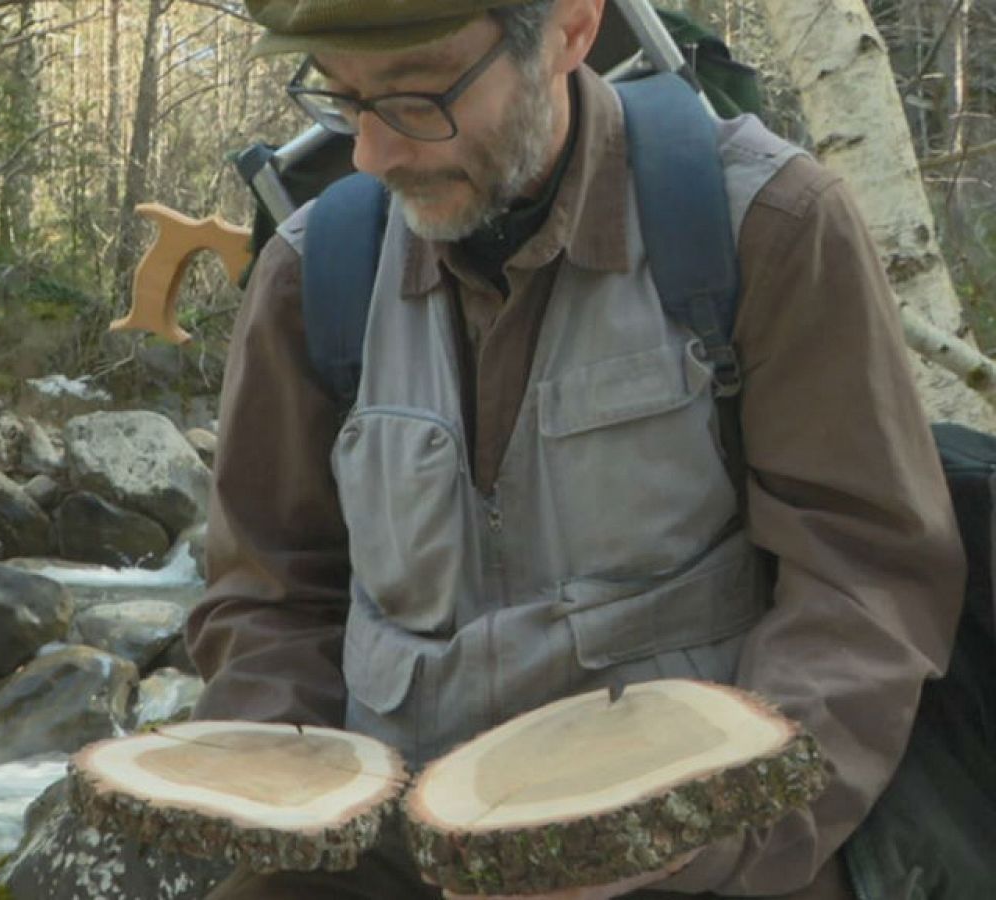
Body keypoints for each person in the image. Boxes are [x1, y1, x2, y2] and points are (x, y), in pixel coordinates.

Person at [185, 0, 966, 898]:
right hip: (391, 854)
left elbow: (864, 582)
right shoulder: (311, 272)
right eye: (343, 96)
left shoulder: (768, 227)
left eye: (417, 95)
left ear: (570, 29)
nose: (372, 154)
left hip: (688, 850)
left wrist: (722, 836)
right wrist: (285, 802)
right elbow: (268, 599)